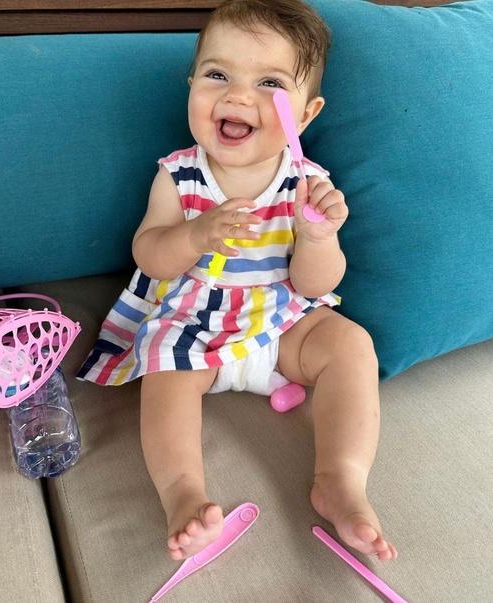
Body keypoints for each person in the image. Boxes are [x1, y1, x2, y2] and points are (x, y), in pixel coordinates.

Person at [78, 0, 397, 563]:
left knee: (352, 345)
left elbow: (314, 285)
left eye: (269, 83)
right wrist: (194, 235)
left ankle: (341, 480)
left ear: (305, 115)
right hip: (193, 325)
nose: (238, 96)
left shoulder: (308, 184)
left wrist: (318, 238)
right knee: (164, 373)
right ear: (192, 86)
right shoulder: (179, 175)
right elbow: (150, 256)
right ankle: (182, 493)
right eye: (217, 74)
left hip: (282, 324)